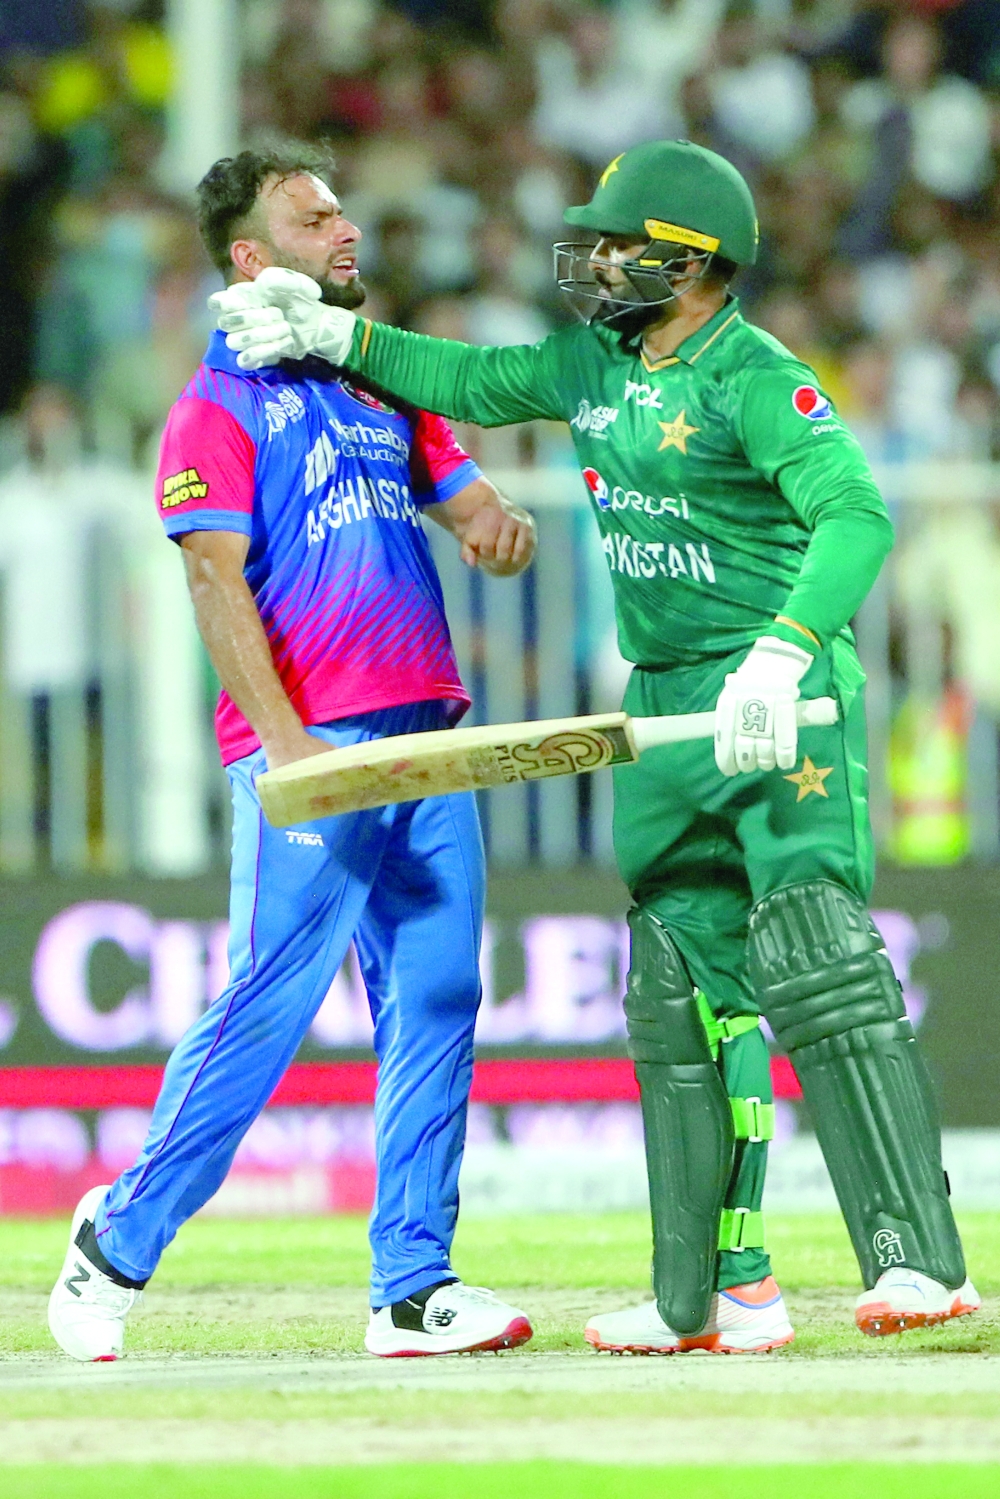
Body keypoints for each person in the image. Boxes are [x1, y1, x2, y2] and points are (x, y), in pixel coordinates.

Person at [215, 139, 980, 1351]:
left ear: (685, 260)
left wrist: (783, 650)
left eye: (621, 240)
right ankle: (716, 1292)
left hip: (777, 703)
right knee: (675, 996)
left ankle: (916, 1262)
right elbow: (469, 375)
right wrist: (330, 333)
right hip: (663, 705)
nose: (597, 258)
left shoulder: (755, 377)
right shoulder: (594, 361)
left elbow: (856, 513)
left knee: (817, 966)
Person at [47, 143, 537, 1362]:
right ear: (252, 258)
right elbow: (215, 586)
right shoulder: (211, 408)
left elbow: (472, 507)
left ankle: (411, 1285)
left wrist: (499, 533)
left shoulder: (376, 380)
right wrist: (286, 745)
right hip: (313, 745)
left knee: (435, 994)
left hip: (429, 736)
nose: (346, 232)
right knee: (269, 1000)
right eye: (316, 220)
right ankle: (113, 1241)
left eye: (343, 211)